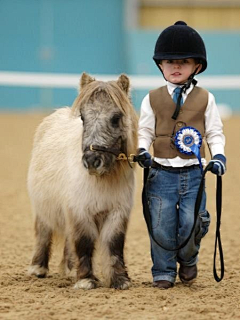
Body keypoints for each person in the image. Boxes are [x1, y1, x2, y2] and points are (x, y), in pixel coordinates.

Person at [137, 21, 226, 289]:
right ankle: (163, 271)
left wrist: (219, 156)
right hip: (160, 174)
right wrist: (142, 150)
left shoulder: (206, 99)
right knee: (161, 225)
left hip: (194, 175)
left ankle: (188, 259)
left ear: (196, 66)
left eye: (184, 62)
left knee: (191, 223)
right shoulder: (150, 99)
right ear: (160, 65)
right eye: (169, 62)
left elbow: (214, 133)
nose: (176, 67)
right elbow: (144, 131)